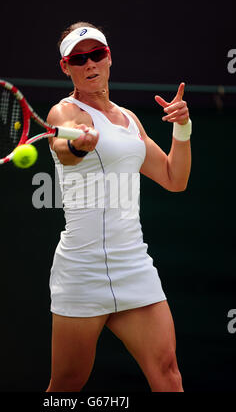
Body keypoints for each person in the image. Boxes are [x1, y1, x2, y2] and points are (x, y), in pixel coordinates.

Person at [46, 22, 191, 392]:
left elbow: (175, 179)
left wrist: (183, 128)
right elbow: (67, 150)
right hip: (82, 269)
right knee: (66, 384)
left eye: (97, 54)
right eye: (79, 59)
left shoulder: (130, 121)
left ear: (109, 57)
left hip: (133, 265)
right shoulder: (64, 114)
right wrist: (80, 145)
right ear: (66, 67)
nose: (90, 64)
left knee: (169, 374)